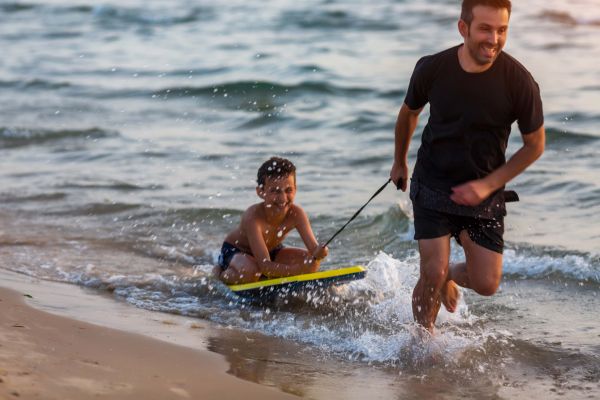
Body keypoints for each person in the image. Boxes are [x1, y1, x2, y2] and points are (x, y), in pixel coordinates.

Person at [390, 0, 545, 333]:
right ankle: (424, 340)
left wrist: (487, 185)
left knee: (486, 283)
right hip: (433, 182)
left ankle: (446, 274)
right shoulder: (433, 68)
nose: (494, 39)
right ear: (464, 28)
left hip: (483, 192)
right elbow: (409, 114)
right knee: (432, 271)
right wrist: (399, 161)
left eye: (502, 30)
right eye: (485, 29)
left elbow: (535, 145)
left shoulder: (519, 82)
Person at [215, 157, 329, 284]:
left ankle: (266, 275)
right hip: (236, 252)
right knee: (252, 271)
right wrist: (296, 271)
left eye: (288, 190)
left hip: (271, 251)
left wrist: (321, 252)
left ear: (295, 189)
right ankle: (220, 274)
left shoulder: (297, 214)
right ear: (261, 192)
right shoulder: (252, 217)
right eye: (275, 191)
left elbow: (314, 251)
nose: (283, 198)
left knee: (309, 261)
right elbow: (265, 265)